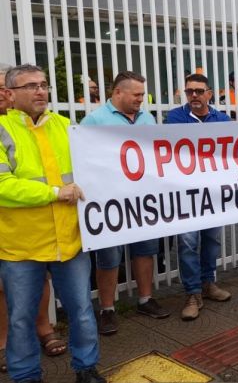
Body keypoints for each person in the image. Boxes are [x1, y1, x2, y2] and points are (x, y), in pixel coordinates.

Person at [0, 64, 104, 383]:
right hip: (22, 246)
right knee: (20, 319)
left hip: (69, 241)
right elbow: (3, 184)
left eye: (43, 85)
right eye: (30, 86)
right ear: (9, 94)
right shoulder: (3, 130)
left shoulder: (64, 125)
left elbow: (96, 167)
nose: (40, 91)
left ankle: (86, 369)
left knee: (82, 311)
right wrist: (54, 193)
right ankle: (26, 376)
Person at [82, 71, 171, 334]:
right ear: (117, 92)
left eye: (142, 95)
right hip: (110, 200)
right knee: (109, 256)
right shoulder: (94, 120)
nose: (141, 100)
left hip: (143, 199)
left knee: (146, 249)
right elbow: (85, 159)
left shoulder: (147, 118)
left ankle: (145, 299)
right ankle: (107, 309)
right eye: (136, 95)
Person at [165, 73, 232, 320]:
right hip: (186, 194)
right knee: (188, 243)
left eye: (199, 91)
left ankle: (208, 283)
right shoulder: (175, 118)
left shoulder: (222, 119)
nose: (194, 95)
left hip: (213, 193)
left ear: (209, 94)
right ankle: (192, 293)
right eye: (190, 91)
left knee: (211, 240)